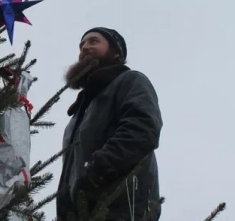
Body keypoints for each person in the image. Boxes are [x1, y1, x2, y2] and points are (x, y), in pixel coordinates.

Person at [56, 27, 163, 221]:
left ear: (116, 53)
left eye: (93, 41)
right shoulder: (77, 116)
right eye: (81, 45)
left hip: (123, 211)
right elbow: (68, 175)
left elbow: (142, 129)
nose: (85, 48)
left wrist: (97, 172)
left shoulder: (130, 81)